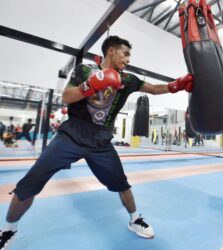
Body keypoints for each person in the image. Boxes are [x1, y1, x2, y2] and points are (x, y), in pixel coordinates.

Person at [0, 35, 194, 249]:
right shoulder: (83, 70)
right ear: (111, 50)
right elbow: (66, 97)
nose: (128, 59)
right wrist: (90, 85)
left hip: (101, 142)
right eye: (125, 53)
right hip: (71, 136)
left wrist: (176, 85)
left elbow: (154, 89)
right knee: (29, 183)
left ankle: (134, 218)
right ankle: (9, 229)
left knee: (122, 184)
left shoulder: (127, 80)